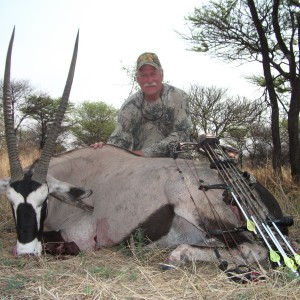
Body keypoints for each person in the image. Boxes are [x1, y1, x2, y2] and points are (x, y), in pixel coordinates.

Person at [92, 52, 191, 157]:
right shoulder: (129, 106)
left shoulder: (178, 97)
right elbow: (120, 138)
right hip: (141, 166)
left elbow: (181, 135)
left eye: (153, 74)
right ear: (137, 79)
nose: (149, 80)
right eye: (143, 75)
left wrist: (145, 153)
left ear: (162, 74)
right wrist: (105, 150)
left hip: (176, 163)